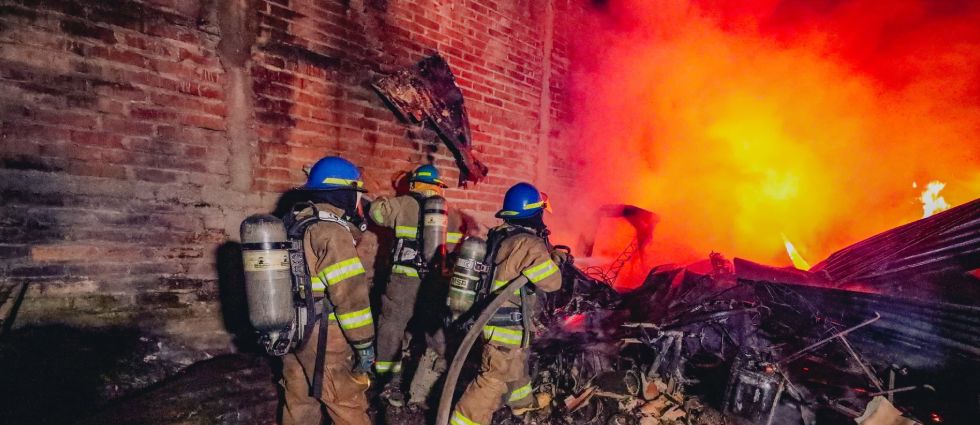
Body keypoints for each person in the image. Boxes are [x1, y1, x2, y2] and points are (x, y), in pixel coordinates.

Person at [450, 182, 564, 425]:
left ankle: (522, 405)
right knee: (491, 381)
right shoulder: (528, 243)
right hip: (506, 328)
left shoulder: (501, 235)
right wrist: (556, 262)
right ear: (535, 212)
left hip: (491, 322)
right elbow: (552, 282)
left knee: (516, 366)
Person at [280, 156, 375, 425]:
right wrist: (364, 342)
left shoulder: (294, 221)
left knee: (299, 399)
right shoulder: (331, 230)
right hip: (324, 335)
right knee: (345, 401)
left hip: (291, 329)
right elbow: (350, 296)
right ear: (344, 193)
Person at [368, 164, 466, 405]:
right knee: (436, 331)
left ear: (414, 184)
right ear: (439, 187)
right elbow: (454, 250)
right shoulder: (452, 215)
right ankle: (429, 388)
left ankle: (389, 383)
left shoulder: (402, 204)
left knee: (392, 326)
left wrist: (382, 199)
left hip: (403, 280)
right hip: (435, 282)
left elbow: (375, 214)